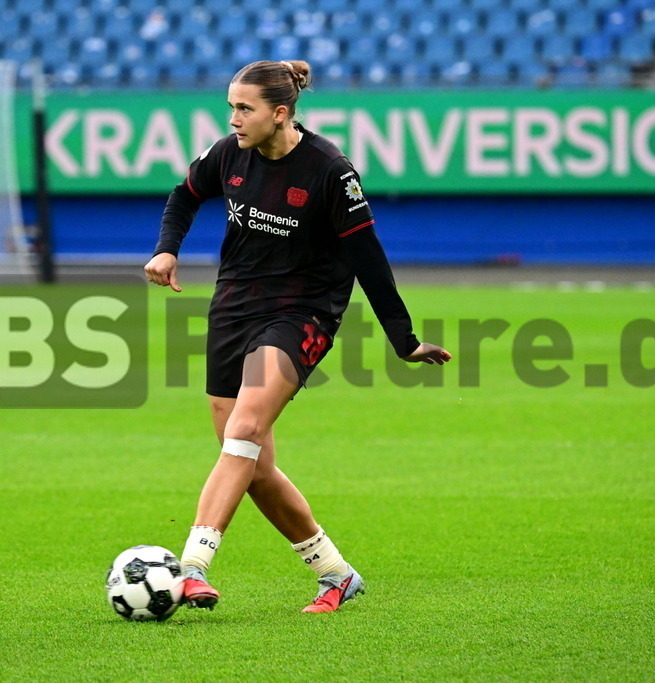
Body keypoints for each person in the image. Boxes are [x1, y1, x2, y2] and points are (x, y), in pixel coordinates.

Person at [144, 60, 451, 614]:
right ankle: (335, 573)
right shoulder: (228, 153)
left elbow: (369, 260)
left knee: (245, 429)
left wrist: (403, 340)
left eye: (245, 108)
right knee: (252, 466)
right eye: (231, 107)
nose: (234, 118)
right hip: (233, 309)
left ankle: (191, 567)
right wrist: (168, 248)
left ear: (279, 113)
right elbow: (184, 195)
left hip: (302, 314)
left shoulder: (330, 171)